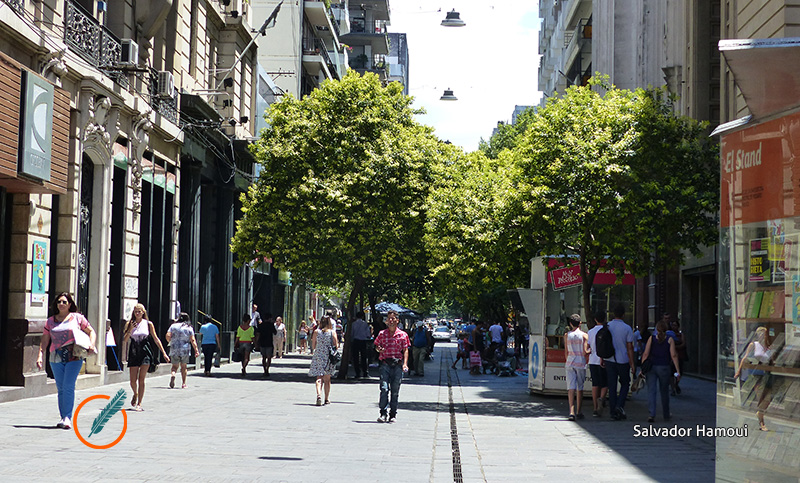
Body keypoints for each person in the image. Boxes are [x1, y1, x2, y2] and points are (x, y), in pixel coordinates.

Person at [36, 292, 97, 429]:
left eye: (64, 302)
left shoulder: (77, 318)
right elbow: (45, 340)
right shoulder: (50, 321)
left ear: (70, 304)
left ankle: (68, 417)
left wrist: (91, 345)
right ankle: (63, 417)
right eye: (59, 302)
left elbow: (91, 331)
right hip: (55, 357)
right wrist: (40, 355)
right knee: (61, 388)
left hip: (74, 356)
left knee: (68, 386)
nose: (61, 304)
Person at [121, 303, 170, 411]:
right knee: (132, 381)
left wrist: (164, 353)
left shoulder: (148, 324)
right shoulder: (130, 324)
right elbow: (125, 340)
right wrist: (130, 330)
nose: (137, 313)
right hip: (134, 351)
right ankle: (135, 393)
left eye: (139, 311)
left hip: (145, 351)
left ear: (143, 312)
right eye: (136, 311)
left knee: (141, 379)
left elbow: (156, 338)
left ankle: (139, 403)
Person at [641, 319, 681, 423]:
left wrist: (642, 368)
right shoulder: (670, 339)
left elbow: (645, 353)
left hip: (652, 367)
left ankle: (651, 414)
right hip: (664, 367)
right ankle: (666, 414)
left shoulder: (652, 338)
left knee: (651, 391)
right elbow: (673, 355)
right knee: (664, 392)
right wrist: (677, 370)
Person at [374, 310, 410, 423]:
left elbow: (405, 350)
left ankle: (393, 414)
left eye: (393, 318)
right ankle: (383, 413)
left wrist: (405, 363)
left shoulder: (403, 335)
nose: (391, 320)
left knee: (395, 391)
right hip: (385, 364)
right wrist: (378, 349)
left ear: (397, 321)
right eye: (389, 318)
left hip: (397, 365)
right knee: (384, 389)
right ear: (386, 321)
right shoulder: (382, 334)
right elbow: (376, 346)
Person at [734, 326, 773, 431]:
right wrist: (739, 371)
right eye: (761, 333)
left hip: (766, 374)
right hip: (755, 374)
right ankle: (762, 423)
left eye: (764, 333)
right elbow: (745, 357)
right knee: (761, 397)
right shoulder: (753, 345)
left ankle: (760, 414)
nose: (763, 335)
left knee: (768, 398)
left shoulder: (767, 346)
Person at [603, 304, 635, 421]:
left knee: (612, 386)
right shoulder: (627, 328)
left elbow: (603, 344)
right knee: (625, 383)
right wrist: (632, 364)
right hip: (623, 360)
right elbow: (630, 347)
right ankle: (619, 406)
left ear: (613, 314)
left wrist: (602, 359)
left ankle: (613, 411)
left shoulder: (608, 326)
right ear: (623, 315)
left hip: (609, 359)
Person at [308, 315, 338, 405]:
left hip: (318, 356)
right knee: (327, 379)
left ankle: (319, 395)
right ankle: (327, 398)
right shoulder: (332, 332)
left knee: (319, 378)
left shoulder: (316, 332)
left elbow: (313, 346)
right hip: (328, 357)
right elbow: (336, 345)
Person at [564, 314, 589, 420]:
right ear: (580, 323)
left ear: (570, 323)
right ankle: (579, 411)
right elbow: (585, 352)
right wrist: (590, 351)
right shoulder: (584, 335)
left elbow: (566, 351)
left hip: (570, 362)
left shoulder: (566, 335)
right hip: (580, 363)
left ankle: (571, 411)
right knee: (580, 387)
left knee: (571, 387)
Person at [166, 313, 199, 388]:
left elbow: (168, 335)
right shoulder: (189, 327)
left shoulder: (173, 326)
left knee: (174, 366)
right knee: (184, 367)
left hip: (174, 348)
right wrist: (196, 350)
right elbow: (193, 340)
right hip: (185, 348)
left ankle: (173, 375)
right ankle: (184, 383)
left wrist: (170, 341)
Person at [587, 311, 609, 417]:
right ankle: (602, 398)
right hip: (604, 360)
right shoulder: (606, 331)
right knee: (605, 383)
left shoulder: (590, 332)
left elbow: (588, 347)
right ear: (604, 318)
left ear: (595, 319)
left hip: (592, 360)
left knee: (595, 384)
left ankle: (595, 407)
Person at [351, 311, 371, 378]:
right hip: (363, 341)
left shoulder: (353, 324)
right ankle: (365, 372)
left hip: (356, 341)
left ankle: (357, 373)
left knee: (355, 357)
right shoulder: (365, 324)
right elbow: (368, 333)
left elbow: (352, 333)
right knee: (364, 357)